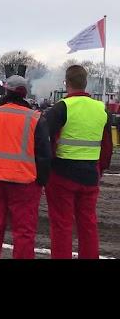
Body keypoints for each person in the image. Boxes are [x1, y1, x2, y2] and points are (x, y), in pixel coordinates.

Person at [0, 75, 51, 259]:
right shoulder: (35, 118)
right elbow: (44, 155)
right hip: (24, 182)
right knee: (24, 232)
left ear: (5, 91)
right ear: (25, 94)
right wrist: (41, 181)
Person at [43, 65, 112, 259]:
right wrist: (101, 169)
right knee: (88, 224)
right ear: (85, 82)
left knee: (62, 225)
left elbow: (42, 138)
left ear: (67, 83)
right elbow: (107, 145)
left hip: (62, 174)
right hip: (90, 174)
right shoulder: (101, 109)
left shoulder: (61, 107)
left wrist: (44, 168)